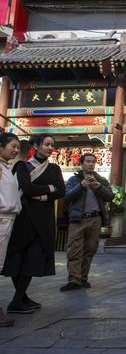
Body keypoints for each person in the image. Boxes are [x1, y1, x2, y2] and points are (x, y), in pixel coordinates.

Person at [3, 134, 65, 314]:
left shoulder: (54, 168)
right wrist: (49, 190)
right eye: (46, 144)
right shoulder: (22, 165)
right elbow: (27, 189)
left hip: (44, 218)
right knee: (17, 256)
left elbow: (61, 190)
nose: (50, 147)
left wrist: (40, 194)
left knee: (34, 257)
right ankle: (19, 299)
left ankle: (19, 298)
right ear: (36, 146)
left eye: (52, 145)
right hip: (25, 216)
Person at [61, 153, 114, 291]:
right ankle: (74, 279)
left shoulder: (101, 180)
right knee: (74, 249)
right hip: (78, 218)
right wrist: (81, 185)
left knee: (90, 249)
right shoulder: (73, 179)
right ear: (82, 163)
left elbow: (110, 196)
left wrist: (99, 187)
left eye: (93, 162)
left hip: (95, 218)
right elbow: (66, 197)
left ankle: (83, 278)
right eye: (88, 161)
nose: (90, 164)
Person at [0, 132, 21, 326]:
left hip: (8, 220)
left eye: (17, 148)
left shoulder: (6, 167)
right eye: (13, 146)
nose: (15, 150)